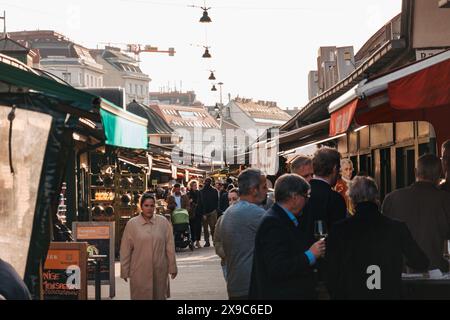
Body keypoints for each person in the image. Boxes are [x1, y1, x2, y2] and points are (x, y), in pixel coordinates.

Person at [327, 176, 429, 299]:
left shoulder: (339, 230)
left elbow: (331, 273)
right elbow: (420, 261)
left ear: (352, 200)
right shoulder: (397, 228)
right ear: (376, 198)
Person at [249, 174, 326, 300]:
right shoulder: (273, 223)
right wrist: (311, 255)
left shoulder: (282, 218)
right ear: (294, 197)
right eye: (305, 197)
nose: (307, 201)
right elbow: (277, 268)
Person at [382, 154, 450, 273]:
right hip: (435, 273)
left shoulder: (391, 198)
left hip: (400, 273)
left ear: (415, 172)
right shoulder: (445, 200)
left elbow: (383, 238)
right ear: (440, 174)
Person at [120, 193, 177, 300]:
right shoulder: (132, 224)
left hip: (159, 269)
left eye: (152, 206)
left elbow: (170, 246)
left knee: (159, 296)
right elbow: (125, 249)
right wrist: (124, 270)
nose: (149, 208)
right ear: (141, 206)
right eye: (146, 205)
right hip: (139, 270)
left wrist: (172, 266)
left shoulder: (163, 222)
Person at [221, 169, 268, 300]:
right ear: (254, 190)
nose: (266, 191)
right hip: (250, 286)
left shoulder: (230, 211)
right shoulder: (254, 213)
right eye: (264, 187)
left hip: (236, 284)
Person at [214, 188, 240, 280]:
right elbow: (217, 241)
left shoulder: (247, 217)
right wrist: (224, 254)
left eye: (235, 199)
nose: (232, 202)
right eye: (230, 199)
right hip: (227, 263)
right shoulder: (222, 219)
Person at [197, 177, 219, 247]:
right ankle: (207, 242)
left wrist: (215, 210)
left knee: (213, 228)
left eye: (208, 182)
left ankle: (214, 241)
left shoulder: (214, 190)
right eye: (206, 182)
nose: (207, 183)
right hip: (205, 212)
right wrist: (203, 213)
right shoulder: (201, 191)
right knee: (206, 229)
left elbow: (217, 201)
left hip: (212, 212)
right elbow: (200, 203)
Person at [187, 180, 202, 248]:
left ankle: (198, 242)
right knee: (192, 228)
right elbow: (187, 203)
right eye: (194, 186)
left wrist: (203, 212)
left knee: (198, 227)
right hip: (191, 213)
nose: (195, 187)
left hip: (198, 212)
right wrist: (189, 202)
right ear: (191, 186)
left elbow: (202, 203)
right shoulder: (188, 193)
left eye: (196, 185)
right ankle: (192, 241)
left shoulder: (199, 193)